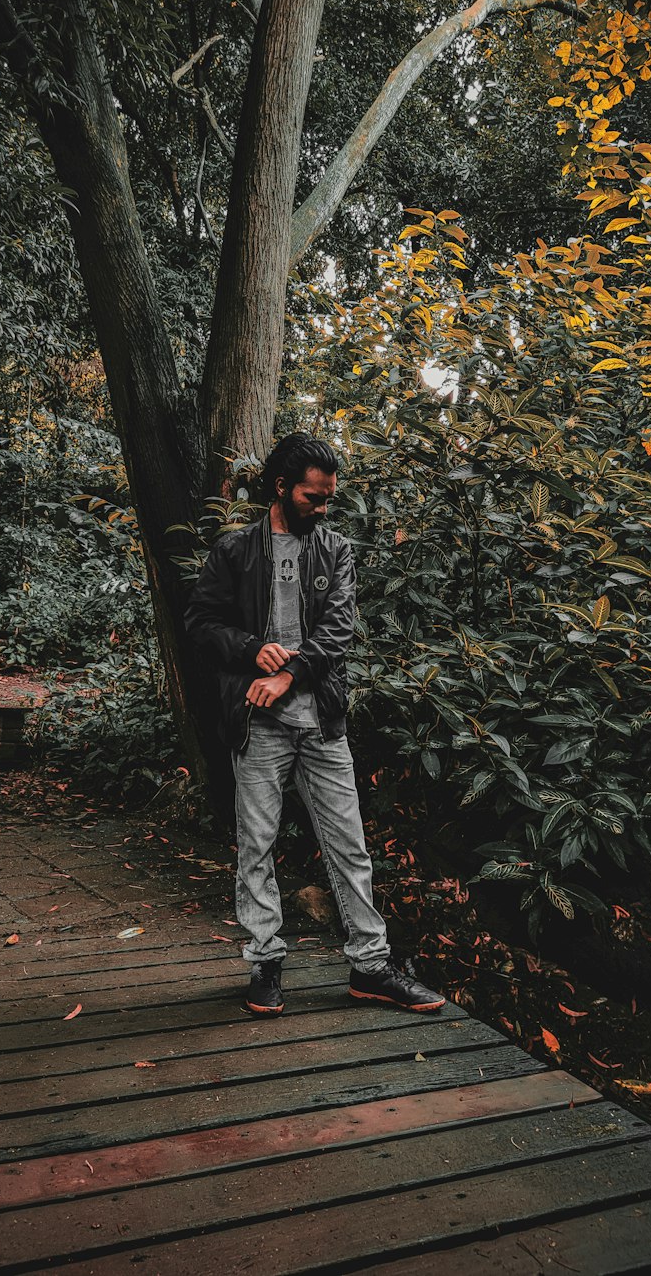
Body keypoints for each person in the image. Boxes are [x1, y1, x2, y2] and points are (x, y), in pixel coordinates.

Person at [185, 433, 447, 1017]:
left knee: (349, 846)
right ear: (281, 488)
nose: (323, 507)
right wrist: (254, 649)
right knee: (256, 845)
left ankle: (371, 967)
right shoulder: (234, 551)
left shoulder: (335, 550)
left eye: (329, 497)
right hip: (258, 727)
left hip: (320, 721)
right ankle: (265, 962)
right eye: (313, 496)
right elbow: (201, 623)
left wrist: (289, 673)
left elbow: (338, 631)